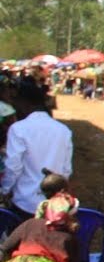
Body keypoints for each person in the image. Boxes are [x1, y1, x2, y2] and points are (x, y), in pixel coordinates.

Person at [1, 76, 73, 219]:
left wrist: (5, 190)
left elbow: (14, 166)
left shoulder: (18, 129)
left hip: (24, 203)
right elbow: (66, 170)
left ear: (24, 103)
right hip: (53, 206)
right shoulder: (63, 130)